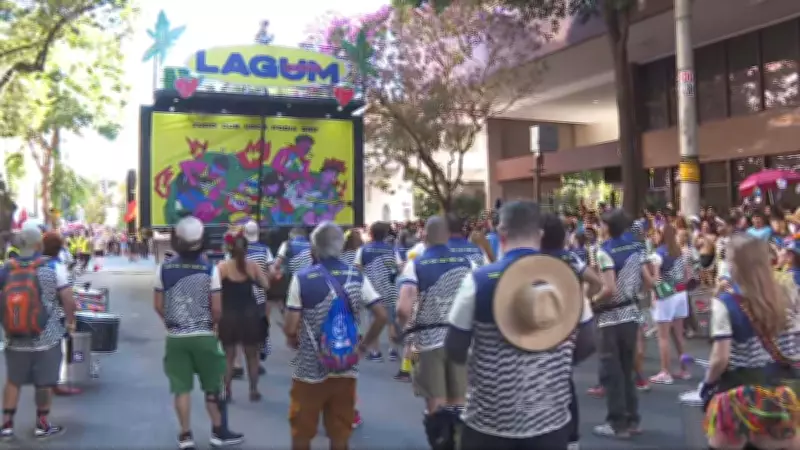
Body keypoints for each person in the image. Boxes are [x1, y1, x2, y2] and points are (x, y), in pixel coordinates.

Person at [444, 200, 592, 448]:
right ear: (540, 235)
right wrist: (555, 361)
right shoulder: (564, 279)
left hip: (488, 423)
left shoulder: (478, 281)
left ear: (501, 234)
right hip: (550, 422)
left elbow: (454, 348)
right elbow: (588, 341)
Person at [283, 222, 388, 450]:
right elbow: (381, 315)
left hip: (309, 370)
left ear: (314, 247)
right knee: (339, 433)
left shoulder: (302, 278)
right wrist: (363, 347)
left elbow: (291, 327)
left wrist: (292, 339)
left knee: (301, 432)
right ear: (340, 246)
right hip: (345, 366)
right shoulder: (356, 277)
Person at [701, 234, 800, 449]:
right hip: (783, 393)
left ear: (735, 265)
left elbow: (720, 358)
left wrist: (707, 384)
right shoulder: (789, 294)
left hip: (740, 398)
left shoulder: (725, 303)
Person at [153, 216, 243, 449]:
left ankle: (185, 435)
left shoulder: (163, 268)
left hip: (176, 337)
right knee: (213, 385)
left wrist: (171, 321)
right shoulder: (209, 269)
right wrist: (211, 326)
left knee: (181, 388)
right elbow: (217, 308)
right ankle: (217, 432)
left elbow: (158, 304)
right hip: (204, 335)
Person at [396, 216, 474, 449]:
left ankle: (441, 443)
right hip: (461, 340)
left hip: (426, 342)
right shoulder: (468, 263)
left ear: (425, 236)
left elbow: (403, 308)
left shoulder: (416, 264)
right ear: (448, 236)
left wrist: (407, 330)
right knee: (459, 402)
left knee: (436, 405)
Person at [1, 223, 76, 439]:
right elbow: (68, 299)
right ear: (38, 244)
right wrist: (70, 322)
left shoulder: (7, 268)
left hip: (15, 337)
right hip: (47, 336)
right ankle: (42, 424)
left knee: (13, 380)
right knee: (44, 381)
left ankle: (6, 426)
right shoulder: (52, 266)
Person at [591, 208, 655, 439]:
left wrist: (592, 300)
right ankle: (633, 419)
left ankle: (617, 424)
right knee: (628, 369)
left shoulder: (604, 251)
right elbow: (649, 282)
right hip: (631, 314)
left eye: (601, 224)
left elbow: (609, 289)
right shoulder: (637, 247)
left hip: (609, 318)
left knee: (612, 372)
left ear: (607, 227)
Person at [217, 229, 271, 402]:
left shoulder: (222, 267)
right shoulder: (253, 266)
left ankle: (226, 390)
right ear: (247, 250)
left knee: (229, 356)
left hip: (229, 315)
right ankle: (253, 390)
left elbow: (213, 290)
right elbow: (266, 285)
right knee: (252, 355)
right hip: (250, 314)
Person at [648, 223, 692, 385]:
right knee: (678, 335)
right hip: (681, 293)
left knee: (663, 336)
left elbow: (657, 277)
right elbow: (688, 275)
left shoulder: (658, 254)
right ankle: (684, 369)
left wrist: (655, 294)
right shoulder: (681, 252)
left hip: (666, 295)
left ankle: (665, 371)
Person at [230, 221, 273, 380]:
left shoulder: (237, 250)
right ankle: (255, 362)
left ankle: (237, 364)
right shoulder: (265, 250)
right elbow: (272, 270)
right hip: (259, 297)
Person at [355, 221, 401, 362]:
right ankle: (393, 351)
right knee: (391, 320)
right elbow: (399, 267)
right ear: (386, 234)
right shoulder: (392, 249)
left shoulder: (363, 249)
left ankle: (375, 352)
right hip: (390, 289)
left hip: (372, 291)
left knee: (373, 319)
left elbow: (357, 268)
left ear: (371, 234)